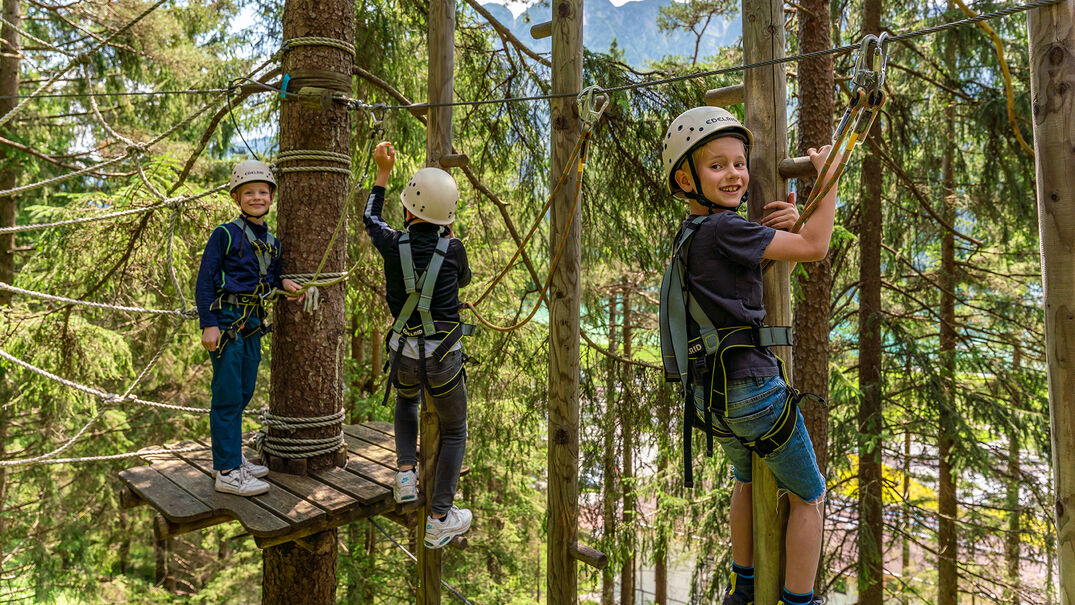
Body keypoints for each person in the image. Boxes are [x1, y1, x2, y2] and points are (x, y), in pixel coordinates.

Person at [658, 106, 834, 605]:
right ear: (686, 179)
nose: (734, 174)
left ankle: (744, 587)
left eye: (739, 163)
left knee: (746, 479)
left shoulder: (693, 233)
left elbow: (760, 276)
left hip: (710, 398)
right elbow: (815, 247)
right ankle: (798, 602)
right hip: (751, 390)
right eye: (717, 166)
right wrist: (828, 183)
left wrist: (792, 224)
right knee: (809, 495)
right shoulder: (726, 229)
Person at [364, 141, 474, 549]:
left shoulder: (392, 243)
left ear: (408, 211)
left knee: (407, 402)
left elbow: (370, 217)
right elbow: (463, 279)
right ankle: (440, 518)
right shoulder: (454, 248)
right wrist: (448, 242)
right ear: (448, 218)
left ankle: (405, 475)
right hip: (443, 356)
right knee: (454, 429)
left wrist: (383, 173)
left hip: (404, 353)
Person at [195, 160, 304, 497]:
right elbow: (205, 281)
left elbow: (269, 277)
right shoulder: (224, 234)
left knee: (243, 392)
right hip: (228, 321)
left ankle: (231, 458)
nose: (257, 198)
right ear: (236, 198)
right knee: (227, 396)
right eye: (249, 193)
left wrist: (282, 282)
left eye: (262, 192)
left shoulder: (272, 242)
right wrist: (209, 325)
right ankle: (227, 471)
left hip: (253, 324)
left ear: (271, 197)